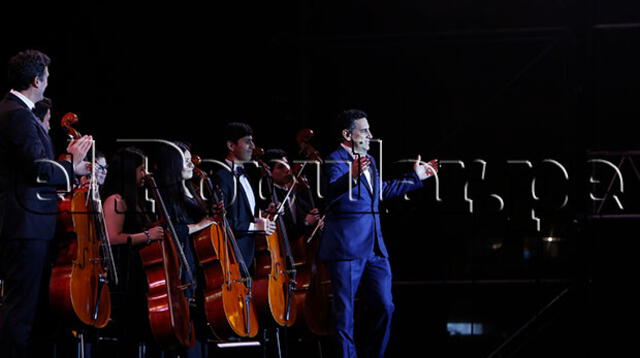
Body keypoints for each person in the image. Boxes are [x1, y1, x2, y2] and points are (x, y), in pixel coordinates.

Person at [320, 109, 438, 358]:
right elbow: (330, 191)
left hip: (375, 247)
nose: (370, 135)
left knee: (386, 306)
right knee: (345, 314)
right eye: (364, 130)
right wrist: (350, 176)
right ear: (347, 134)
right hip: (346, 248)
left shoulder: (370, 161)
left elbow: (380, 191)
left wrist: (415, 177)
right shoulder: (334, 160)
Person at [0, 49, 93, 357]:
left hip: (33, 224)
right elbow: (37, 167)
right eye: (48, 77)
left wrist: (74, 169)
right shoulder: (16, 114)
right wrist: (72, 163)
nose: (49, 82)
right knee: (21, 311)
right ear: (37, 80)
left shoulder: (16, 111)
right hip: (25, 225)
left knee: (34, 311)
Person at [101, 147, 165, 355]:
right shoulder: (115, 200)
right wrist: (147, 236)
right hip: (124, 272)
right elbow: (112, 238)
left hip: (138, 269)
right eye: (141, 170)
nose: (145, 175)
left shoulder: (134, 198)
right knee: (128, 329)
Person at [212, 122, 276, 268]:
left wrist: (263, 215)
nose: (253, 146)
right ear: (231, 146)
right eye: (247, 142)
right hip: (233, 256)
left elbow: (243, 214)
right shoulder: (222, 176)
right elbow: (222, 220)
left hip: (248, 254)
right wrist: (255, 227)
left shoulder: (246, 174)